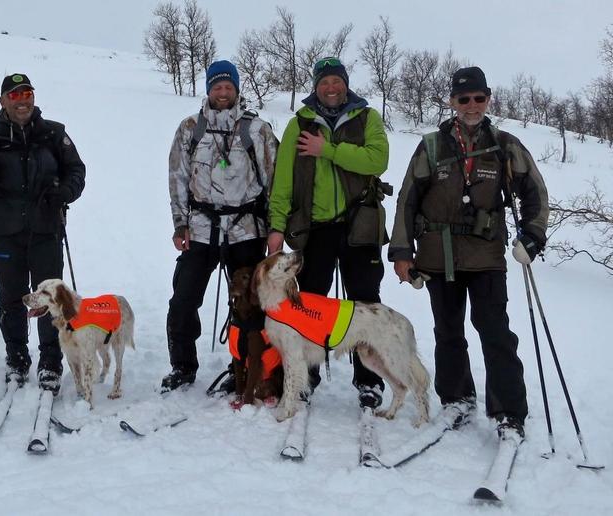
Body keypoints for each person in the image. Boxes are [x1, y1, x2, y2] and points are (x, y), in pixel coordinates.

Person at [389, 66, 548, 439]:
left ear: (488, 99)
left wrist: (533, 236)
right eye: (464, 99)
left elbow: (535, 192)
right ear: (452, 102)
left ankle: (508, 411)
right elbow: (407, 200)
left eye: (478, 98)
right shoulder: (431, 145)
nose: (472, 105)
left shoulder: (504, 144)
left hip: (486, 256)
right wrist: (401, 251)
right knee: (448, 332)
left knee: (495, 331)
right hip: (437, 254)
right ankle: (456, 400)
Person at [266, 57, 389, 409]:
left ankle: (370, 380)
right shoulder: (299, 124)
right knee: (311, 303)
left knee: (364, 300)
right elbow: (283, 182)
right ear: (316, 86)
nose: (331, 88)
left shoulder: (367, 118)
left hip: (359, 223)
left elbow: (376, 160)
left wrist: (328, 150)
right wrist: (277, 226)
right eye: (325, 82)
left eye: (337, 81)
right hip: (316, 228)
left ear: (345, 84)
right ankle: (307, 377)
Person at [0, 73, 86, 392]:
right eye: (14, 95)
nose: (22, 100)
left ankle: (50, 362)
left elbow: (77, 171)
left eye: (27, 93)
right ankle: (16, 358)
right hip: (6, 231)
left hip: (46, 229)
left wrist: (65, 192)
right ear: (3, 101)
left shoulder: (54, 133)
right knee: (12, 299)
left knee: (49, 299)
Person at [161, 60, 279, 392]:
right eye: (217, 86)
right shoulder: (190, 128)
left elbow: (275, 182)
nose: (222, 92)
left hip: (246, 227)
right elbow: (177, 178)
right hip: (200, 227)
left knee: (249, 303)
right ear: (209, 89)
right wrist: (179, 224)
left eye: (228, 87)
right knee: (183, 299)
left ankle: (242, 367)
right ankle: (182, 366)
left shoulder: (257, 130)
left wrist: (274, 229)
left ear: (237, 89)